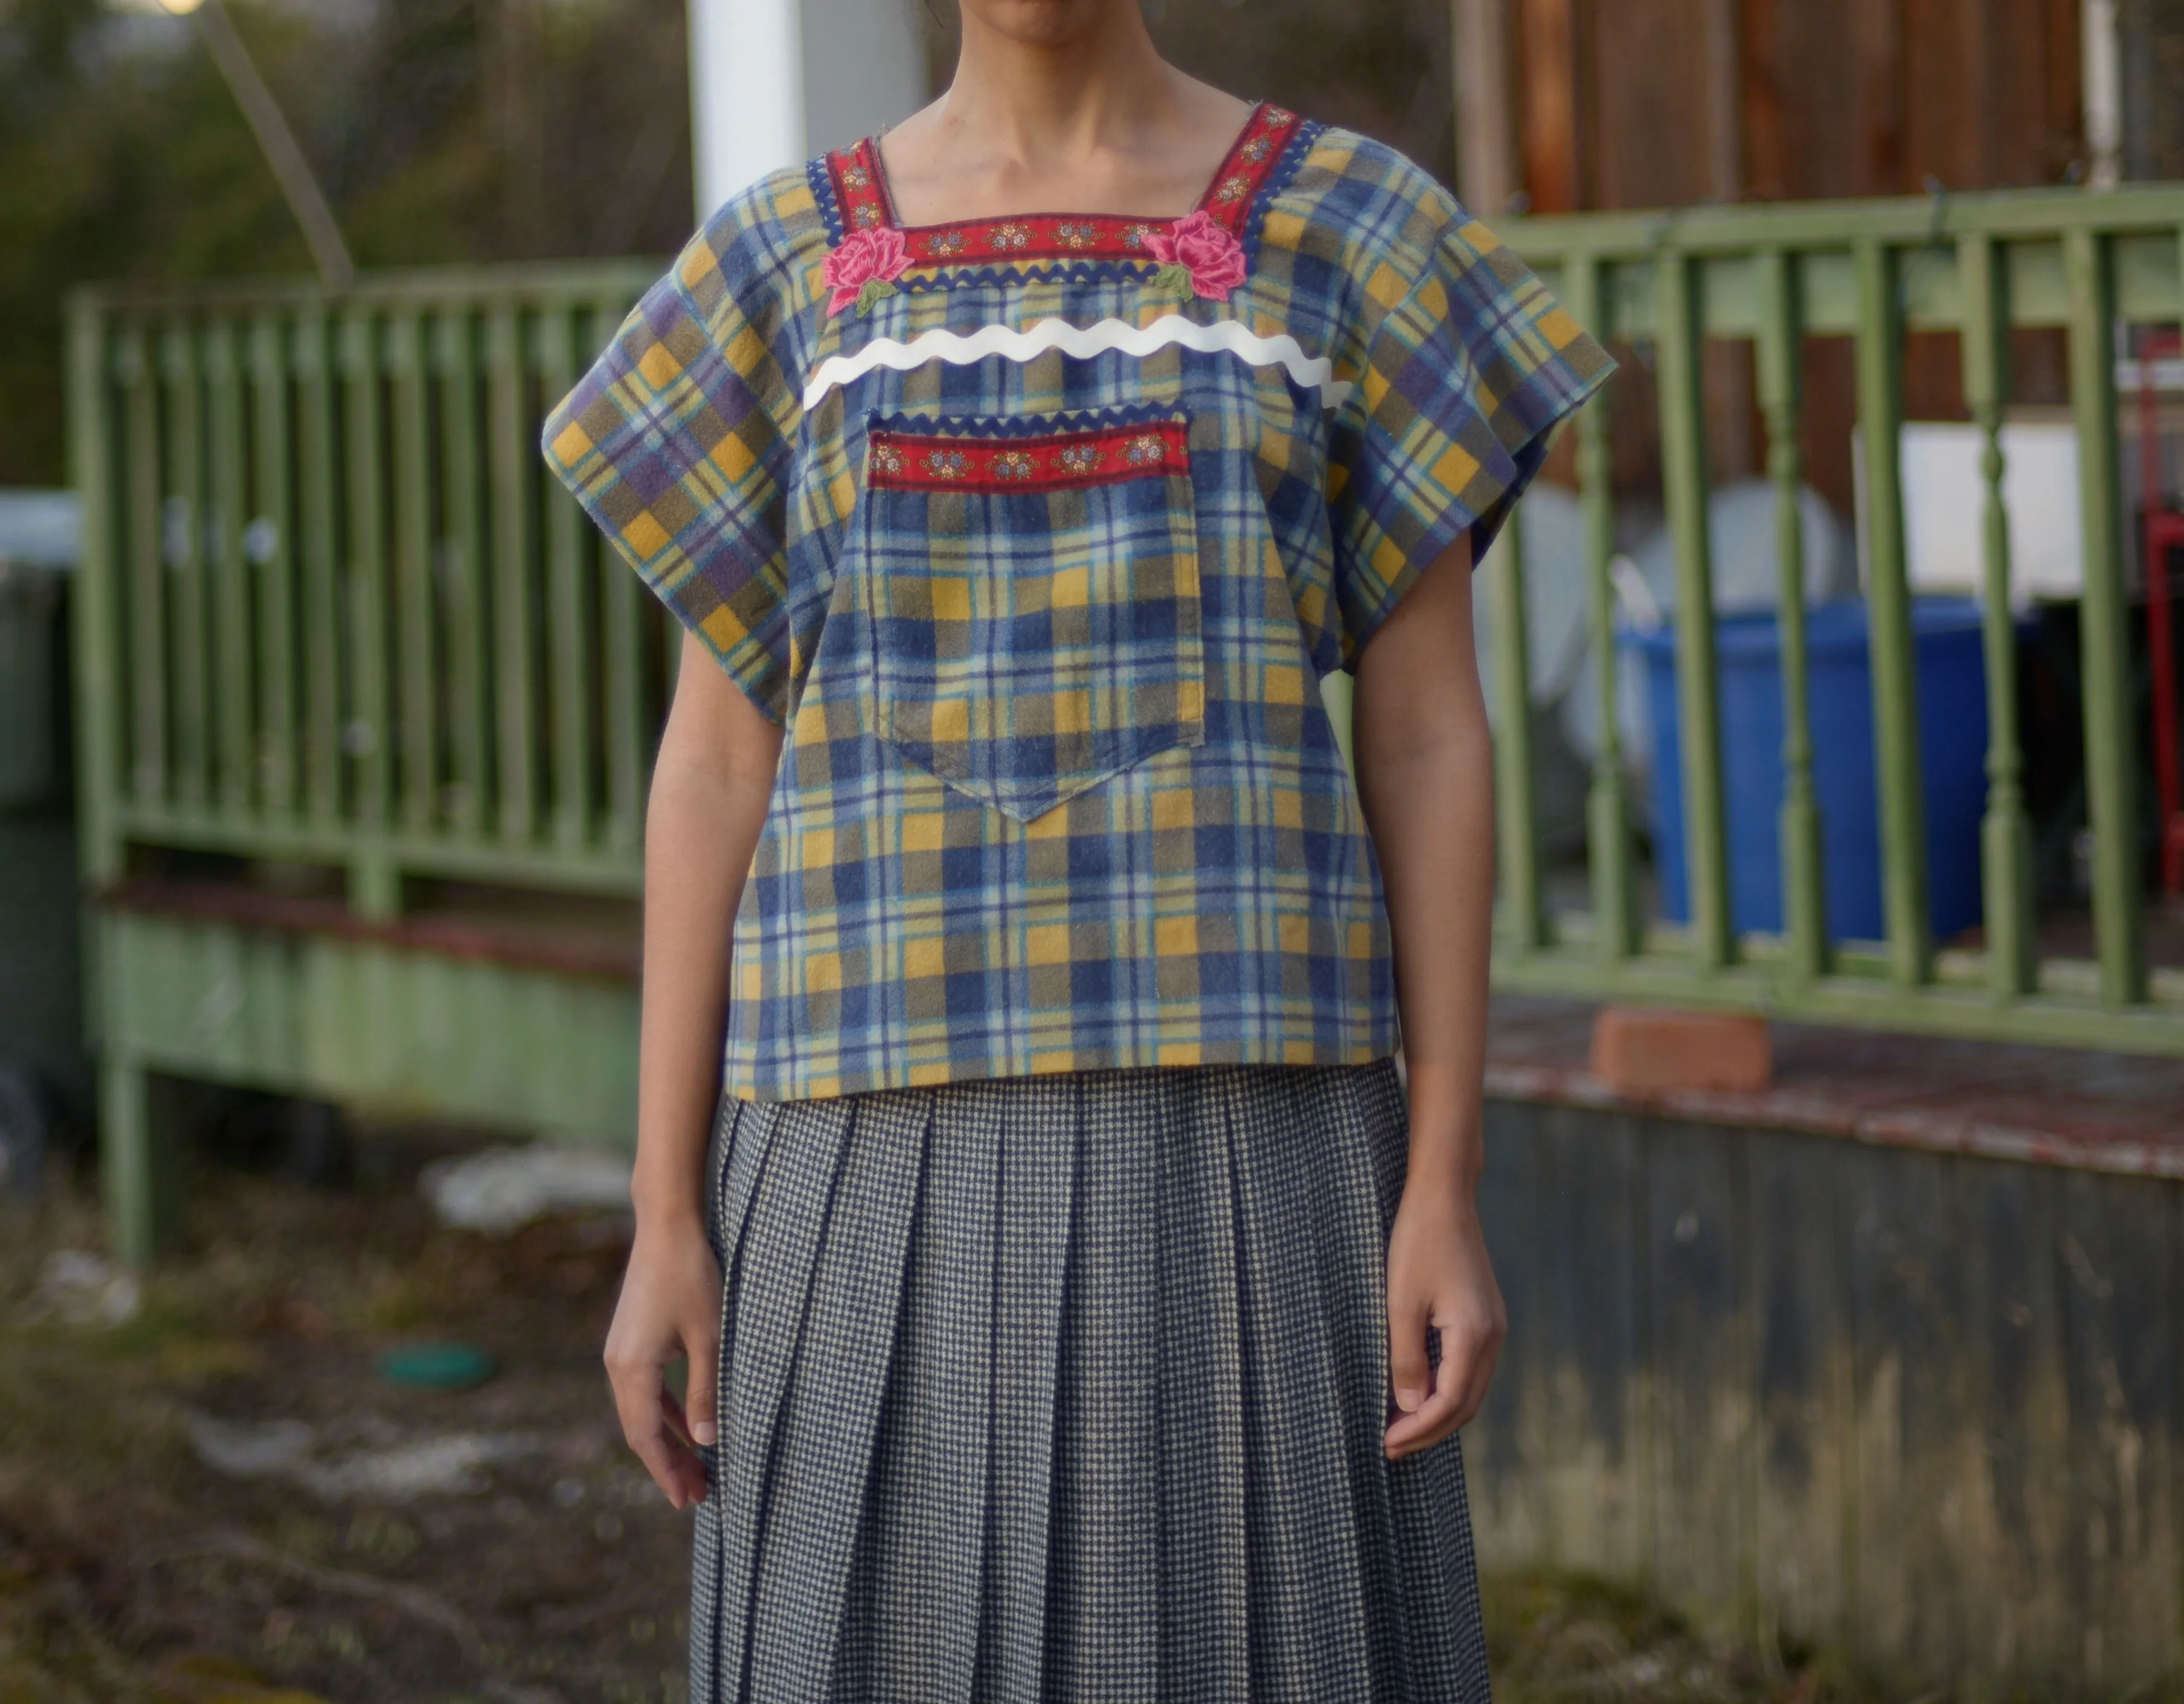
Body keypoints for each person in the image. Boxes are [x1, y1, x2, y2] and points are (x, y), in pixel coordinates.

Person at [541, 3, 1613, 1698]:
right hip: (850, 1153)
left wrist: (1444, 1175)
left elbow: (1426, 737)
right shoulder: (775, 265)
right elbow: (713, 759)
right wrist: (662, 1210)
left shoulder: (1352, 230)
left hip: (1252, 1149)